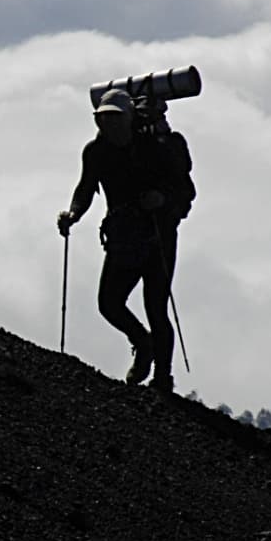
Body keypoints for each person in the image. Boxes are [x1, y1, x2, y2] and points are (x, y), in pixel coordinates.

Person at [56, 88, 195, 393]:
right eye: (104, 121)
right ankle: (143, 344)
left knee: (155, 307)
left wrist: (161, 199)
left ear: (129, 119)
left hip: (158, 236)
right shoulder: (96, 152)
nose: (109, 127)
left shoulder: (156, 148)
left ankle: (162, 377)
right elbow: (85, 188)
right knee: (109, 303)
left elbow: (185, 191)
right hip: (125, 237)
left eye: (115, 120)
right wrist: (73, 213)